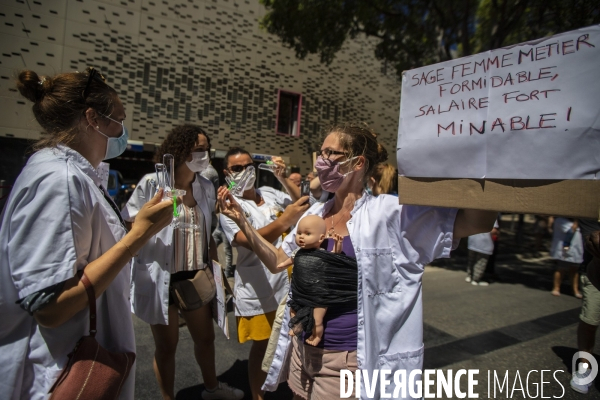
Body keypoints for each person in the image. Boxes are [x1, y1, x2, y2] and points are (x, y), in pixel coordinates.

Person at [217, 122, 496, 399]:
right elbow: (278, 260)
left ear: (357, 162)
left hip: (347, 361)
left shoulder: (390, 214)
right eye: (321, 153)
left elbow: (476, 222)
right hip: (302, 350)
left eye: (330, 154)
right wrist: (242, 221)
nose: (321, 162)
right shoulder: (316, 212)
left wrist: (477, 160)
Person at [0, 68, 175, 399]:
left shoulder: (73, 175)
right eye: (119, 119)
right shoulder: (59, 181)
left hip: (68, 363)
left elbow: (86, 249)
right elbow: (50, 307)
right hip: (55, 374)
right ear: (93, 118)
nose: (123, 130)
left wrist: (135, 229)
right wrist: (137, 235)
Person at [122, 125, 243, 400]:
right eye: (198, 150)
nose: (204, 155)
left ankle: (212, 389)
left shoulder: (205, 187)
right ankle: (168, 397)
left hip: (194, 276)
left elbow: (207, 235)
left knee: (206, 339)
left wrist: (216, 273)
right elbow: (130, 223)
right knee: (167, 346)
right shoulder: (152, 184)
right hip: (159, 277)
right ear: (179, 152)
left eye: (206, 149)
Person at [219, 147, 309, 400]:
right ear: (227, 173)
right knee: (263, 345)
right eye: (237, 168)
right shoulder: (230, 204)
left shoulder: (268, 193)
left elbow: (302, 204)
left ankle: (291, 389)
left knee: (292, 339)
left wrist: (282, 178)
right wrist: (283, 222)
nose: (245, 171)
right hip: (259, 285)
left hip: (289, 280)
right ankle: (258, 396)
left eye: (249, 166)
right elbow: (245, 239)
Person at [275, 215, 345, 346]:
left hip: (319, 294)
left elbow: (335, 254)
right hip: (301, 292)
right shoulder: (298, 252)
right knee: (293, 310)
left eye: (307, 233)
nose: (301, 236)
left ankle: (317, 335)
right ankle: (296, 327)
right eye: (299, 233)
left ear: (321, 238)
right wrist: (282, 265)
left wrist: (338, 244)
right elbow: (290, 260)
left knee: (317, 318)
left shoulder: (322, 253)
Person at [571, 223, 600, 394]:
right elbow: (591, 237)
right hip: (595, 272)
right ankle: (584, 367)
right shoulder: (591, 201)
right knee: (590, 320)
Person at [551, 217, 583, 297]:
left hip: (577, 250)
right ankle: (556, 288)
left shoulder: (581, 222)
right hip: (565, 250)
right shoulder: (560, 220)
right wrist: (576, 221)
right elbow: (571, 230)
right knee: (561, 269)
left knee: (575, 270)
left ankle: (575, 290)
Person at [466, 220, 500, 286]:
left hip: (472, 240)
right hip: (484, 243)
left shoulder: (475, 213)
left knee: (471, 261)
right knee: (480, 263)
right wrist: (498, 233)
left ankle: (469, 276)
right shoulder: (492, 216)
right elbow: (493, 230)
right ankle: (476, 279)